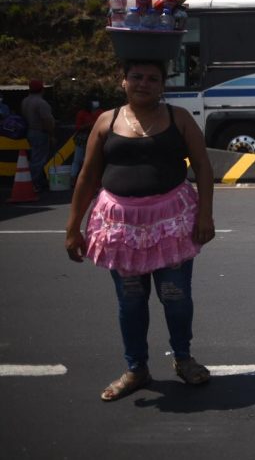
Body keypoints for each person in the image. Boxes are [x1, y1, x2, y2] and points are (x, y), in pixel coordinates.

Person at [64, 60, 216, 402]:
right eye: (137, 77)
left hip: (172, 223)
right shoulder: (107, 120)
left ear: (163, 85)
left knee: (175, 298)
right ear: (123, 82)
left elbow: (203, 167)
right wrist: (73, 227)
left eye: (152, 78)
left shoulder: (179, 119)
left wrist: (205, 214)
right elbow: (88, 176)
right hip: (121, 229)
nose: (143, 83)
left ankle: (183, 358)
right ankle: (136, 368)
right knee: (131, 301)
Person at [21, 79, 55, 192]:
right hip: (41, 132)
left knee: (36, 156)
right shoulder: (41, 103)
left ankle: (40, 181)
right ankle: (33, 183)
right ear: (42, 90)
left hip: (30, 131)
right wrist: (51, 134)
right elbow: (47, 121)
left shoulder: (25, 101)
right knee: (38, 159)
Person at [70, 98, 103, 185]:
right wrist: (90, 125)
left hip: (96, 139)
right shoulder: (82, 113)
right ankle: (73, 179)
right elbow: (78, 127)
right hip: (83, 140)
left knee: (93, 160)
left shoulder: (100, 112)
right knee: (77, 160)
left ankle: (92, 181)